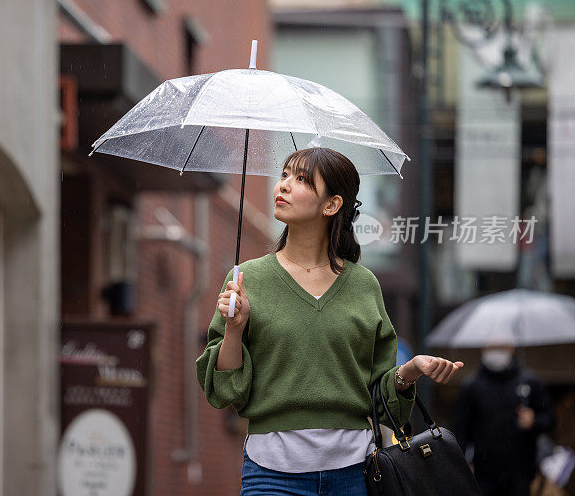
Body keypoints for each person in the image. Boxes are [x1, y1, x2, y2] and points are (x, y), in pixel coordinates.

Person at [195, 148, 464, 496]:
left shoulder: (363, 284)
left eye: (302, 179)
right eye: (285, 174)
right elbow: (226, 391)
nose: (285, 185)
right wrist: (233, 330)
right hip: (271, 473)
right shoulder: (247, 279)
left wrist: (408, 371)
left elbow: (378, 395)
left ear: (332, 205)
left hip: (354, 473)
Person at [453, 338, 556, 496]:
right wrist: (461, 465)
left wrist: (533, 421)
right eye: (492, 346)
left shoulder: (529, 382)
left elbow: (550, 420)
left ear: (512, 348)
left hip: (522, 472)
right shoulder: (471, 386)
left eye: (501, 346)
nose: (496, 351)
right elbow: (460, 429)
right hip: (484, 472)